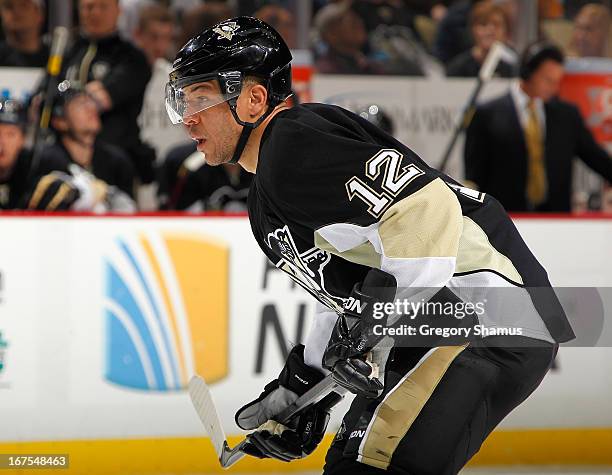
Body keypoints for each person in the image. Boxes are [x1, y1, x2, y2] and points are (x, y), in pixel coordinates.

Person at [165, 17, 575, 474]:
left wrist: (371, 327)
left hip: (483, 313)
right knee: (347, 464)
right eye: (183, 102)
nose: (188, 118)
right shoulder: (264, 198)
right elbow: (349, 293)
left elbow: (425, 207)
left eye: (201, 99)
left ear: (254, 98)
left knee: (370, 466)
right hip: (446, 326)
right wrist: (306, 389)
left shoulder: (294, 141)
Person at [464, 42, 612, 212]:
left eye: (558, 81)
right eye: (548, 80)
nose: (554, 88)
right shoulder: (487, 114)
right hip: (506, 219)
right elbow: (475, 175)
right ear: (528, 72)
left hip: (556, 220)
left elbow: (596, 157)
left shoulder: (567, 116)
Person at [59, 0, 155, 184]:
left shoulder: (131, 57)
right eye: (88, 7)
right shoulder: (71, 51)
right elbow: (43, 98)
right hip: (68, 159)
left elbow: (99, 100)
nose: (94, 13)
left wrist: (65, 100)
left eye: (102, 6)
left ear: (118, 10)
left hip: (116, 159)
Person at [0, 97, 115, 211]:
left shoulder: (44, 164)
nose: (2, 142)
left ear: (23, 139)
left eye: (11, 134)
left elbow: (98, 193)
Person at [39, 80, 136, 199]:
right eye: (80, 104)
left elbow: (129, 212)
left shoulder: (116, 162)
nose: (91, 108)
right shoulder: (46, 163)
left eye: (90, 102)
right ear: (60, 122)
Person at [446, 1, 515, 77]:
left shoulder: (514, 66)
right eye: (483, 24)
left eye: (496, 25)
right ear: (473, 29)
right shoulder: (457, 68)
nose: (490, 31)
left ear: (506, 31)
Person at [0, 0, 48, 67]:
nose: (16, 11)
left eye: (24, 5)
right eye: (9, 6)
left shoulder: (57, 59)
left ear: (39, 13)